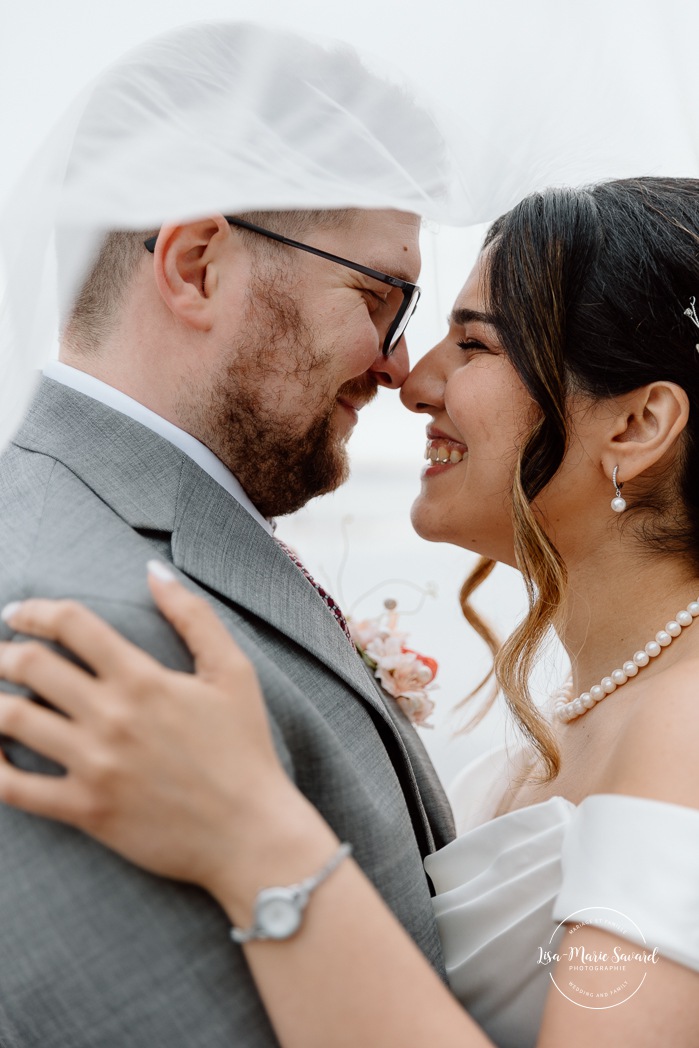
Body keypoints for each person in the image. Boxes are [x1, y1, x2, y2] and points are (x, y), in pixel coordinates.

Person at [2, 176, 699, 1048]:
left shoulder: (687, 724)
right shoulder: (591, 718)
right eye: (382, 302)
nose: (413, 380)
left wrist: (254, 839)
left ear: (635, 426)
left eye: (473, 345)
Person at [0, 20, 464, 1048]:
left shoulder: (143, 542)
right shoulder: (84, 636)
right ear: (201, 265)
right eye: (381, 298)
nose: (400, 365)